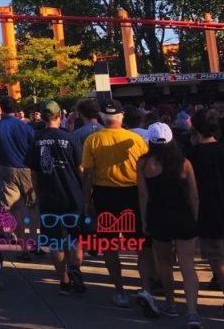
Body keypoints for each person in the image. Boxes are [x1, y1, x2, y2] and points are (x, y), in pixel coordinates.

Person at [81, 99, 154, 309]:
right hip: (132, 194)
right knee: (141, 245)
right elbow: (144, 172)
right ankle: (146, 289)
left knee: (110, 246)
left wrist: (87, 201)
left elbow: (88, 174)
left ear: (102, 117)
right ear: (121, 116)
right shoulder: (136, 139)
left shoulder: (93, 140)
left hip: (105, 196)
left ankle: (120, 292)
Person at [138, 123, 201, 327]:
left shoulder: (145, 163)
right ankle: (192, 312)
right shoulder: (184, 163)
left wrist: (145, 220)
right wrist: (195, 218)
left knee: (164, 263)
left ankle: (171, 304)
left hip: (158, 216)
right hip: (182, 217)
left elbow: (143, 195)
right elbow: (194, 196)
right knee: (187, 265)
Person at [28, 100, 86, 295]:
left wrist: (37, 193)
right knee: (75, 237)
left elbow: (34, 173)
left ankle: (64, 280)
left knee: (55, 242)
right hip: (72, 195)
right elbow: (80, 168)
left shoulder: (35, 140)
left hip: (49, 196)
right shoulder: (70, 138)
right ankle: (76, 269)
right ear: (59, 116)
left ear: (43, 118)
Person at [0, 97, 38, 260]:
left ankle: (23, 247)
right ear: (16, 109)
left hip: (6, 170)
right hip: (28, 170)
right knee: (32, 207)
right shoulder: (27, 128)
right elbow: (34, 151)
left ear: (1, 109)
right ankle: (35, 242)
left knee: (13, 210)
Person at [188, 109, 224, 308]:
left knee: (217, 257)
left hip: (208, 211)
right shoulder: (222, 149)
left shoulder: (191, 156)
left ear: (195, 129)